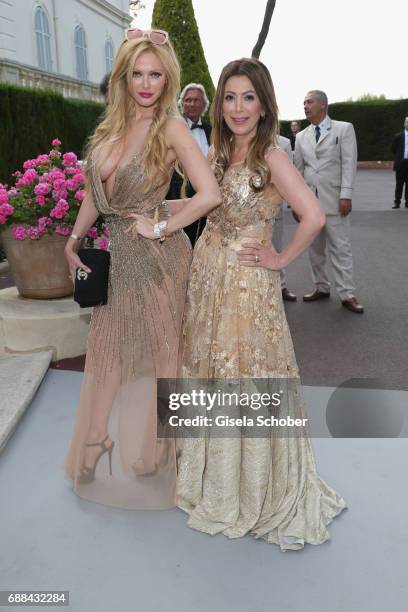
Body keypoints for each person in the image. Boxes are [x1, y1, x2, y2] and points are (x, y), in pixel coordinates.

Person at [171, 59, 346, 551]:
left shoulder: (272, 154)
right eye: (229, 97)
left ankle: (247, 489)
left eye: (248, 97)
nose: (238, 107)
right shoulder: (222, 149)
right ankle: (207, 479)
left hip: (246, 289)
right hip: (209, 277)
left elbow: (312, 216)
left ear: (265, 103)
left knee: (243, 374)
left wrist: (279, 259)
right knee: (206, 368)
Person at [64, 28, 220, 510]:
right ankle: (95, 441)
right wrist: (73, 240)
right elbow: (97, 191)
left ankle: (160, 451)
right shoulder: (110, 127)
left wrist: (160, 227)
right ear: (124, 77)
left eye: (155, 74)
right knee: (107, 353)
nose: (146, 83)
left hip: (157, 264)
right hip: (115, 259)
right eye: (137, 73)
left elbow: (209, 194)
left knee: (160, 358)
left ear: (166, 79)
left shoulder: (171, 128)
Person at [294, 90, 364, 314]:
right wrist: (297, 203)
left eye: (310, 102)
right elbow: (298, 170)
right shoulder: (301, 136)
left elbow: (348, 163)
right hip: (310, 205)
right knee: (315, 250)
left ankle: (347, 294)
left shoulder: (343, 129)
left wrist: (346, 195)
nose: (305, 106)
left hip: (334, 200)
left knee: (340, 248)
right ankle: (321, 287)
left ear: (323, 105)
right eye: (304, 102)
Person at [166, 83, 212, 246]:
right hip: (178, 194)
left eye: (196, 100)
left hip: (208, 199)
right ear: (182, 103)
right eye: (188, 100)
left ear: (204, 105)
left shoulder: (211, 131)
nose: (192, 104)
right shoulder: (170, 129)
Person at [273, 134, 297, 301]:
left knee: (276, 246)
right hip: (244, 210)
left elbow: (290, 177)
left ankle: (281, 286)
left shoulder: (284, 143)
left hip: (274, 207)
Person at [391, 117, 408, 209]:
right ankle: (397, 202)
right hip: (401, 164)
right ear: (404, 123)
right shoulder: (398, 136)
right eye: (407, 122)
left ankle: (407, 202)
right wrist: (399, 158)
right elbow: (393, 149)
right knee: (399, 184)